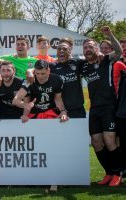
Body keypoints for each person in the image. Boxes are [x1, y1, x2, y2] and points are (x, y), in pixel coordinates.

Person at [81, 26, 122, 186]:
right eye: (85, 47)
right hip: (95, 109)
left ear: (96, 49)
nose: (88, 49)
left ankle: (117, 173)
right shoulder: (83, 65)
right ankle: (108, 172)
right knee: (96, 141)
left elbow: (118, 52)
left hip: (109, 106)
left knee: (109, 139)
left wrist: (110, 35)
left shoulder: (105, 60)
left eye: (91, 46)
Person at [49, 40, 86, 118]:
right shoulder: (52, 66)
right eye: (59, 49)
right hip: (58, 110)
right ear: (57, 52)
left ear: (70, 51)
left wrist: (98, 54)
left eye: (65, 49)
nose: (62, 51)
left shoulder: (77, 63)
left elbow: (92, 60)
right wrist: (30, 71)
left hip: (77, 109)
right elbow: (37, 69)